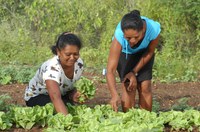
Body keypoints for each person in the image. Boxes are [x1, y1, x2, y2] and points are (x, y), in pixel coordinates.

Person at [106, 10, 161, 112]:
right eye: (128, 38)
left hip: (144, 54)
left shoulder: (153, 29)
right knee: (128, 87)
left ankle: (147, 121)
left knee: (145, 86)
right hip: (125, 53)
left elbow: (150, 51)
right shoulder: (119, 35)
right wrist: (114, 95)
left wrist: (133, 72)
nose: (132, 41)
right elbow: (110, 70)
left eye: (136, 37)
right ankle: (129, 121)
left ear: (143, 29)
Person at [24, 32, 84, 115]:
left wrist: (73, 94)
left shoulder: (79, 64)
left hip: (61, 94)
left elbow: (69, 85)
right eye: (68, 54)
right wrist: (68, 123)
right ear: (58, 52)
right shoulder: (51, 69)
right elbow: (55, 97)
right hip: (38, 96)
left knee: (71, 107)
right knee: (63, 109)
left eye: (76, 54)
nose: (72, 58)